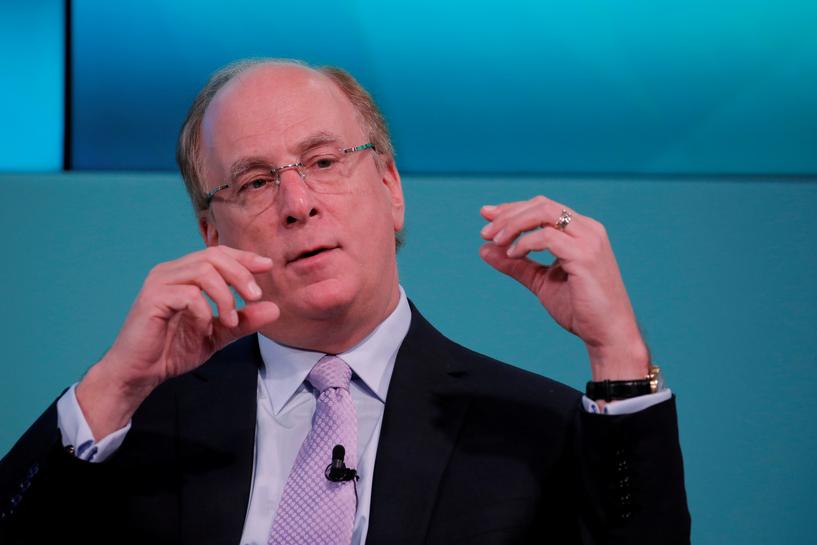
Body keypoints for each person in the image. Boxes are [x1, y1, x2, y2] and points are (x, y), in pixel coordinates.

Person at [0, 59, 690, 544]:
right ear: (212, 235)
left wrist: (619, 357)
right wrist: (114, 386)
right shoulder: (130, 430)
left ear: (391, 188)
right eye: (255, 181)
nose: (298, 204)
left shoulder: (534, 429)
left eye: (324, 162)